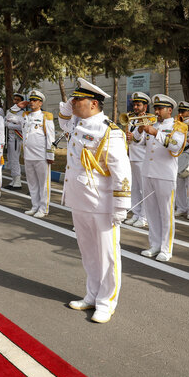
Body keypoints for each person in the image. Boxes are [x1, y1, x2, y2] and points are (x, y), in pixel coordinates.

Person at [59, 78, 131, 324]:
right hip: (80, 200)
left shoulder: (108, 131)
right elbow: (63, 121)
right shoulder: (79, 124)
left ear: (92, 104)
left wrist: (121, 206)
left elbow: (121, 171)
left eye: (77, 99)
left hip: (102, 204)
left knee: (108, 256)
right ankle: (92, 294)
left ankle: (106, 302)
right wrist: (67, 109)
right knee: (88, 253)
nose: (73, 102)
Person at [135, 94, 187, 262]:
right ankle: (154, 244)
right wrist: (141, 129)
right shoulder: (152, 123)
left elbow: (176, 146)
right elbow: (136, 141)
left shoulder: (178, 126)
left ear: (169, 110)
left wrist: (156, 132)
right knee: (151, 212)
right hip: (148, 172)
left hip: (165, 175)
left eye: (160, 109)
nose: (156, 111)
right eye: (155, 108)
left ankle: (166, 248)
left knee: (165, 213)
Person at [19, 90, 55, 218]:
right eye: (30, 100)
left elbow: (50, 137)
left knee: (43, 184)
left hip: (41, 155)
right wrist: (18, 107)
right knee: (32, 183)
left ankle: (43, 208)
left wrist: (50, 155)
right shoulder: (25, 115)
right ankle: (34, 206)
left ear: (40, 103)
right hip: (28, 155)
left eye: (34, 100)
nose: (31, 102)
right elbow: (9, 118)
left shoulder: (46, 116)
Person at [124, 92, 150, 227]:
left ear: (145, 107)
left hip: (143, 157)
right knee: (134, 188)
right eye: (134, 104)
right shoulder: (132, 119)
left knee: (143, 189)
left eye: (138, 105)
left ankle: (144, 217)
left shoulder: (148, 120)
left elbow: (147, 140)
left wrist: (133, 137)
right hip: (132, 157)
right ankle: (136, 213)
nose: (135, 107)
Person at [174, 101, 189, 220]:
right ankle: (181, 207)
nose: (181, 114)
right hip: (180, 153)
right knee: (179, 183)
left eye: (184, 112)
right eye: (180, 111)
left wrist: (188, 141)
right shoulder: (177, 124)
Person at [4, 92, 26, 190]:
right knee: (11, 159)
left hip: (17, 138)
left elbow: (23, 126)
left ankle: (17, 181)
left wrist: (10, 125)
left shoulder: (23, 113)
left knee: (15, 160)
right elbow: (5, 120)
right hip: (10, 137)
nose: (16, 101)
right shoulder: (10, 111)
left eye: (18, 100)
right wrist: (8, 124)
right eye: (15, 99)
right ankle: (14, 179)